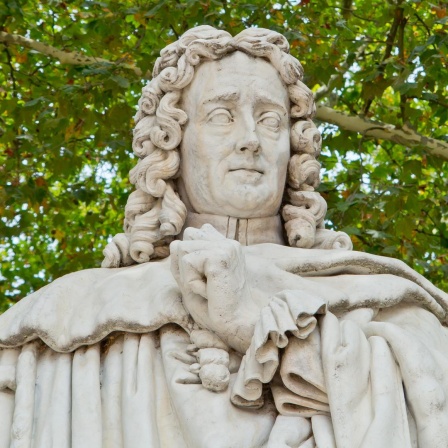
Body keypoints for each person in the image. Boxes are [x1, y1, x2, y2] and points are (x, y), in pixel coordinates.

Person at [0, 26, 447, 448]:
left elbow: (431, 405)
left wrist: (262, 326)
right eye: (221, 116)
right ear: (171, 142)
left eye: (271, 121)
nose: (251, 140)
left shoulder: (383, 299)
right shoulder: (64, 314)